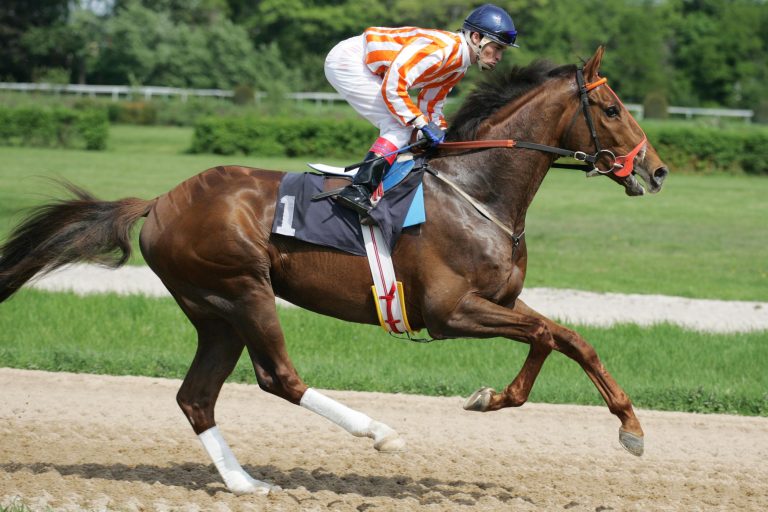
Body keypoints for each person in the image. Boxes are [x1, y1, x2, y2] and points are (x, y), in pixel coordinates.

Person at [324, 4, 519, 216]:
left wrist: (443, 135)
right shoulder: (443, 49)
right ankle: (358, 189)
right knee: (399, 128)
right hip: (351, 61)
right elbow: (394, 85)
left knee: (412, 132)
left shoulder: (458, 65)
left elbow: (431, 105)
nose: (499, 56)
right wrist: (422, 124)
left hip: (370, 68)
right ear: (475, 37)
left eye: (502, 51)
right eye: (497, 48)